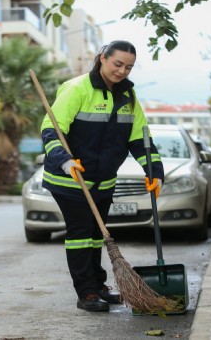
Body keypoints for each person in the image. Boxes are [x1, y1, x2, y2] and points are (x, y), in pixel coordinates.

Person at [40, 40, 164, 312]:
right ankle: (86, 293)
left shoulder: (128, 98)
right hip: (70, 179)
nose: (122, 71)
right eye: (117, 64)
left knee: (97, 234)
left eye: (129, 67)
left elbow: (140, 140)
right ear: (102, 58)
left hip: (104, 181)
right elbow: (51, 130)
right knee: (81, 233)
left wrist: (154, 172)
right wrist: (65, 161)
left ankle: (98, 285)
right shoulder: (77, 89)